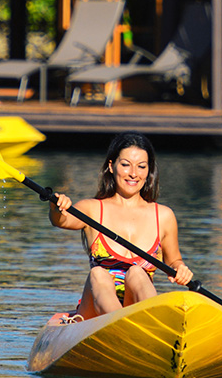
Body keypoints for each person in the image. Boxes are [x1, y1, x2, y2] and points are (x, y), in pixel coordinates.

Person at [49, 132, 194, 320]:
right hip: (94, 312)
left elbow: (174, 261)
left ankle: (149, 322)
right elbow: (61, 220)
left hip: (136, 306)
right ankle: (119, 323)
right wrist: (56, 206)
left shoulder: (164, 216)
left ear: (148, 171)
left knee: (137, 273)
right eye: (125, 165)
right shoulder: (93, 209)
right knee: (99, 274)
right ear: (111, 166)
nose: (133, 173)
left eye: (141, 166)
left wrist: (181, 269)